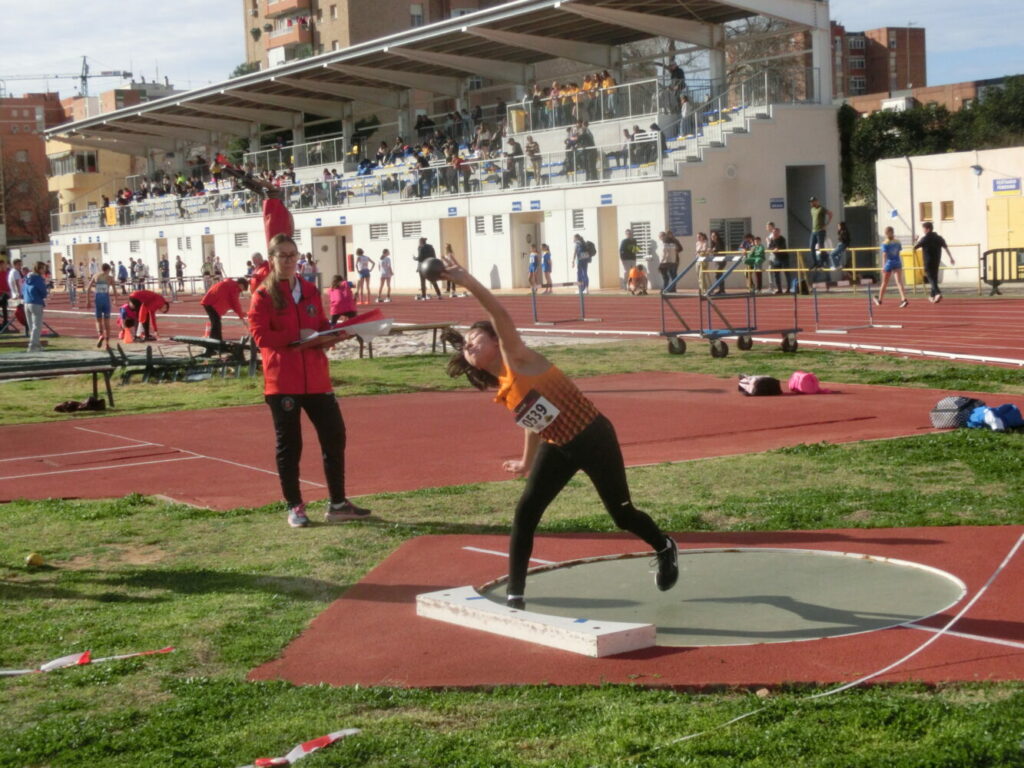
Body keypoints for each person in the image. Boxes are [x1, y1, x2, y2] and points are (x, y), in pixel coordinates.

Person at [436, 251, 678, 610]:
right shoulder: (505, 386)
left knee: (621, 514)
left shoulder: (517, 356)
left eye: (475, 338)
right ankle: (515, 596)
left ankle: (664, 546)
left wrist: (469, 282)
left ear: (495, 340)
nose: (469, 346)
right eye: (466, 348)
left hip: (593, 436)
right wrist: (525, 462)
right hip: (558, 444)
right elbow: (535, 422)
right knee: (526, 512)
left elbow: (499, 315)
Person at [248, 181, 371, 528]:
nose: (289, 262)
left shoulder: (311, 289)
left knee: (335, 436)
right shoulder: (263, 294)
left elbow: (319, 324)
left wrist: (331, 336)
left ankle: (338, 502)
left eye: (294, 256)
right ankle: (295, 506)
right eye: (283, 256)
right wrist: (297, 338)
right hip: (282, 380)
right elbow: (259, 335)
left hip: (317, 378)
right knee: (290, 447)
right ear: (271, 260)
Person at [914, 221, 955, 303]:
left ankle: (937, 292)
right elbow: (946, 248)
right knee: (934, 278)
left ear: (928, 229)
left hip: (928, 261)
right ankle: (932, 296)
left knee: (930, 277)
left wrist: (915, 240)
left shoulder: (925, 239)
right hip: (936, 261)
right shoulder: (939, 238)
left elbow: (914, 247)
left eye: (924, 229)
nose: (923, 230)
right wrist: (951, 257)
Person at [874, 226, 909, 308]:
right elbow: (898, 252)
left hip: (889, 263)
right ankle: (903, 299)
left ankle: (880, 300)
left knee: (884, 283)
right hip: (897, 262)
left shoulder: (885, 243)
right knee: (899, 282)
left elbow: (884, 255)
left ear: (886, 234)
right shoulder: (897, 242)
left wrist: (883, 266)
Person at [86, 263, 116, 349]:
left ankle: (100, 335)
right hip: (106, 300)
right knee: (107, 322)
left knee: (98, 321)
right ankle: (107, 344)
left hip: (98, 300)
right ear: (108, 269)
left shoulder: (96, 276)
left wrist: (88, 301)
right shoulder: (110, 278)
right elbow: (114, 290)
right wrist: (115, 299)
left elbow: (88, 288)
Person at [22, 262, 48, 353]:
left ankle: (37, 344)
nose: (44, 270)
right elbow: (43, 292)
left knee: (31, 326)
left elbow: (23, 289)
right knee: (37, 326)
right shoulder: (38, 279)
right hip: (36, 303)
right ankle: (33, 345)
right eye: (43, 268)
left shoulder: (27, 278)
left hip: (26, 302)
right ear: (39, 269)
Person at [808, 196, 833, 270]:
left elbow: (830, 214)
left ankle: (822, 263)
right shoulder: (812, 209)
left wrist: (826, 225)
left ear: (816, 201)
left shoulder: (821, 208)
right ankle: (815, 263)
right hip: (813, 231)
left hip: (820, 231)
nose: (811, 203)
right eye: (811, 202)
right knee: (811, 247)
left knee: (821, 247)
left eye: (813, 201)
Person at [769, 227, 790, 294]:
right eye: (773, 232)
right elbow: (769, 247)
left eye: (775, 232)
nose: (774, 234)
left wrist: (776, 248)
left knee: (787, 273)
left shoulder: (782, 239)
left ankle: (789, 289)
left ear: (778, 233)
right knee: (776, 274)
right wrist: (773, 248)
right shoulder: (772, 239)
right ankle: (779, 289)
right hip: (777, 259)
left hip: (784, 258)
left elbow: (781, 247)